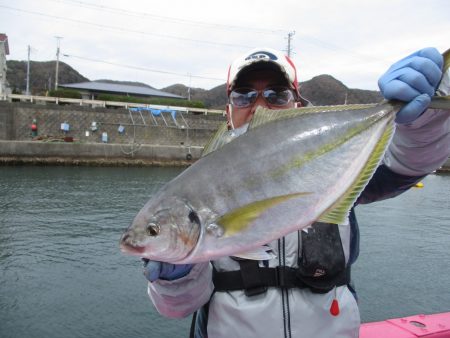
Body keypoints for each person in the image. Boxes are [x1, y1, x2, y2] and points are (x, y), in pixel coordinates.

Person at [142, 47, 450, 338]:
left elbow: (404, 166)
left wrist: (424, 124)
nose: (259, 106)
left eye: (277, 95)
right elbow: (176, 308)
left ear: (297, 106)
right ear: (228, 110)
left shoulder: (336, 164)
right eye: (243, 96)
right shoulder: (197, 190)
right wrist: (174, 277)